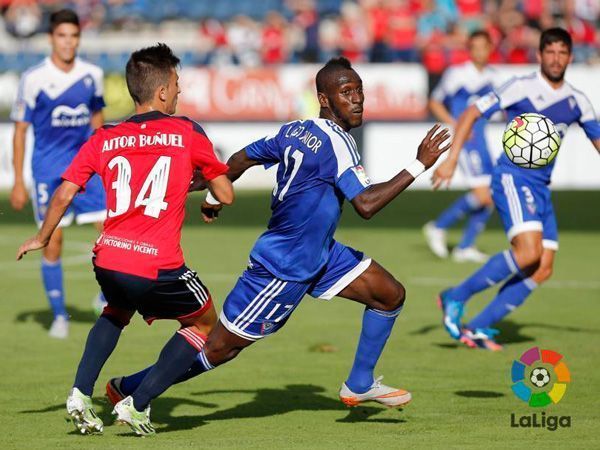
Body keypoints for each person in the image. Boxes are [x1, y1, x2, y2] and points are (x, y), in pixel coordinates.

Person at [105, 57, 450, 434]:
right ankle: (130, 388)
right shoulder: (337, 144)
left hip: (320, 253)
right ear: (324, 98)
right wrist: (419, 164)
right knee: (219, 348)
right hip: (282, 267)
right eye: (346, 92)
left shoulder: (294, 130)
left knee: (389, 294)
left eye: (359, 91)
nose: (358, 99)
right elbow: (365, 205)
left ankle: (360, 383)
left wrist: (215, 198)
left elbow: (240, 159)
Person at [16, 43, 234, 436]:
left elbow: (65, 192)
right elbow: (226, 191)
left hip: (110, 258)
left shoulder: (105, 136)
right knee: (203, 325)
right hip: (157, 263)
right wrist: (208, 194)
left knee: (116, 310)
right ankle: (137, 402)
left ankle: (81, 394)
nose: (180, 92)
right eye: (177, 84)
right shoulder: (185, 130)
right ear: (164, 91)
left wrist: (41, 237)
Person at [431, 28, 600, 350]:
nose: (555, 58)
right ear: (539, 55)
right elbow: (471, 112)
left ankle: (476, 328)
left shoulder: (578, 101)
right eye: (549, 52)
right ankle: (456, 295)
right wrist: (452, 160)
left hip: (541, 187)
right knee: (528, 253)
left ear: (570, 57)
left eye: (562, 53)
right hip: (512, 176)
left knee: (542, 268)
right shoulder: (521, 87)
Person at [10, 9, 107, 338]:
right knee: (52, 240)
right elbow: (20, 131)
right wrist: (19, 181)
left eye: (74, 36)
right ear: (52, 38)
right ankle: (60, 315)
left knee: (112, 230)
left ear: (79, 38)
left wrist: (104, 164)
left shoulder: (92, 74)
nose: (69, 42)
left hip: (86, 167)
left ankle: (107, 295)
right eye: (63, 36)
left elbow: (97, 123)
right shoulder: (34, 78)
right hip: (48, 172)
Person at [423, 30, 498, 263]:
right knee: (482, 195)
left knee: (491, 196)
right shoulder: (457, 74)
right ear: (469, 49)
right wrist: (456, 123)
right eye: (474, 47)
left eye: (483, 47)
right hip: (465, 141)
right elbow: (434, 101)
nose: (479, 52)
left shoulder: (495, 77)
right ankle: (438, 226)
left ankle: (465, 246)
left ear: (490, 49)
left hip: (482, 140)